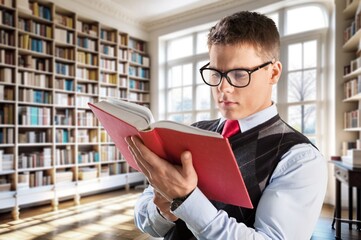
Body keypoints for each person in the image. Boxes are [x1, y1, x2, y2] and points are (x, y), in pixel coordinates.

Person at [126, 11, 327, 240]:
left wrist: (187, 200)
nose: (223, 88)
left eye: (239, 74)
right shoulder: (193, 132)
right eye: (215, 73)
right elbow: (145, 222)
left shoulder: (300, 158)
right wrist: (163, 211)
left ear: (273, 72)